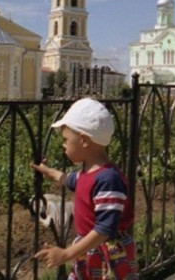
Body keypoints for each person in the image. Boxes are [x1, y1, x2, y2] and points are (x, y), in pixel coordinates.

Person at [32, 98, 138, 279]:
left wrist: (66, 254)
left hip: (109, 256)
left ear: (84, 140)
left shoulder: (108, 180)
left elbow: (104, 229)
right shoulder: (89, 173)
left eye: (66, 139)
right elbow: (72, 181)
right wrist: (48, 172)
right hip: (90, 250)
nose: (63, 145)